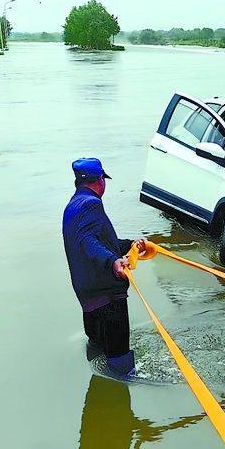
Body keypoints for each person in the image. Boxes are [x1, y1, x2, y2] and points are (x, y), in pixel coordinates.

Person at [62, 157, 146, 376]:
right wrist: (113, 262)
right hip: (108, 297)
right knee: (121, 365)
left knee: (98, 351)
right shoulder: (92, 204)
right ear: (99, 180)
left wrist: (130, 246)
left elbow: (99, 243)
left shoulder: (72, 206)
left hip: (88, 298)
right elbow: (89, 242)